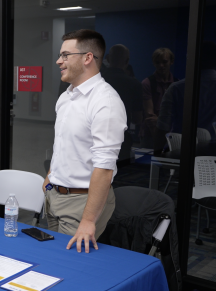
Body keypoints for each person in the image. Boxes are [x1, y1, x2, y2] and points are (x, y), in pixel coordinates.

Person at [43, 29, 127, 253]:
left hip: (82, 202)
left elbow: (104, 167)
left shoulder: (105, 101)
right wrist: (51, 175)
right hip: (54, 196)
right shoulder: (66, 97)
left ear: (87, 57)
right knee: (51, 258)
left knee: (66, 266)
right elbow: (63, 144)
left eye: (65, 55)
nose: (59, 61)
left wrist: (89, 220)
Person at [100, 44, 143, 165]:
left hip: (94, 136)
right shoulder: (134, 84)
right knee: (119, 176)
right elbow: (137, 118)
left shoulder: (93, 81)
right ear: (127, 61)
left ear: (108, 58)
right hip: (120, 139)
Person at [142, 48, 178, 148]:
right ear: (154, 63)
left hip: (172, 134)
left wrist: (159, 120)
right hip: (151, 134)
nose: (161, 65)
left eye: (164, 62)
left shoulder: (177, 84)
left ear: (171, 61)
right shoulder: (147, 83)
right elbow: (150, 116)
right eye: (157, 62)